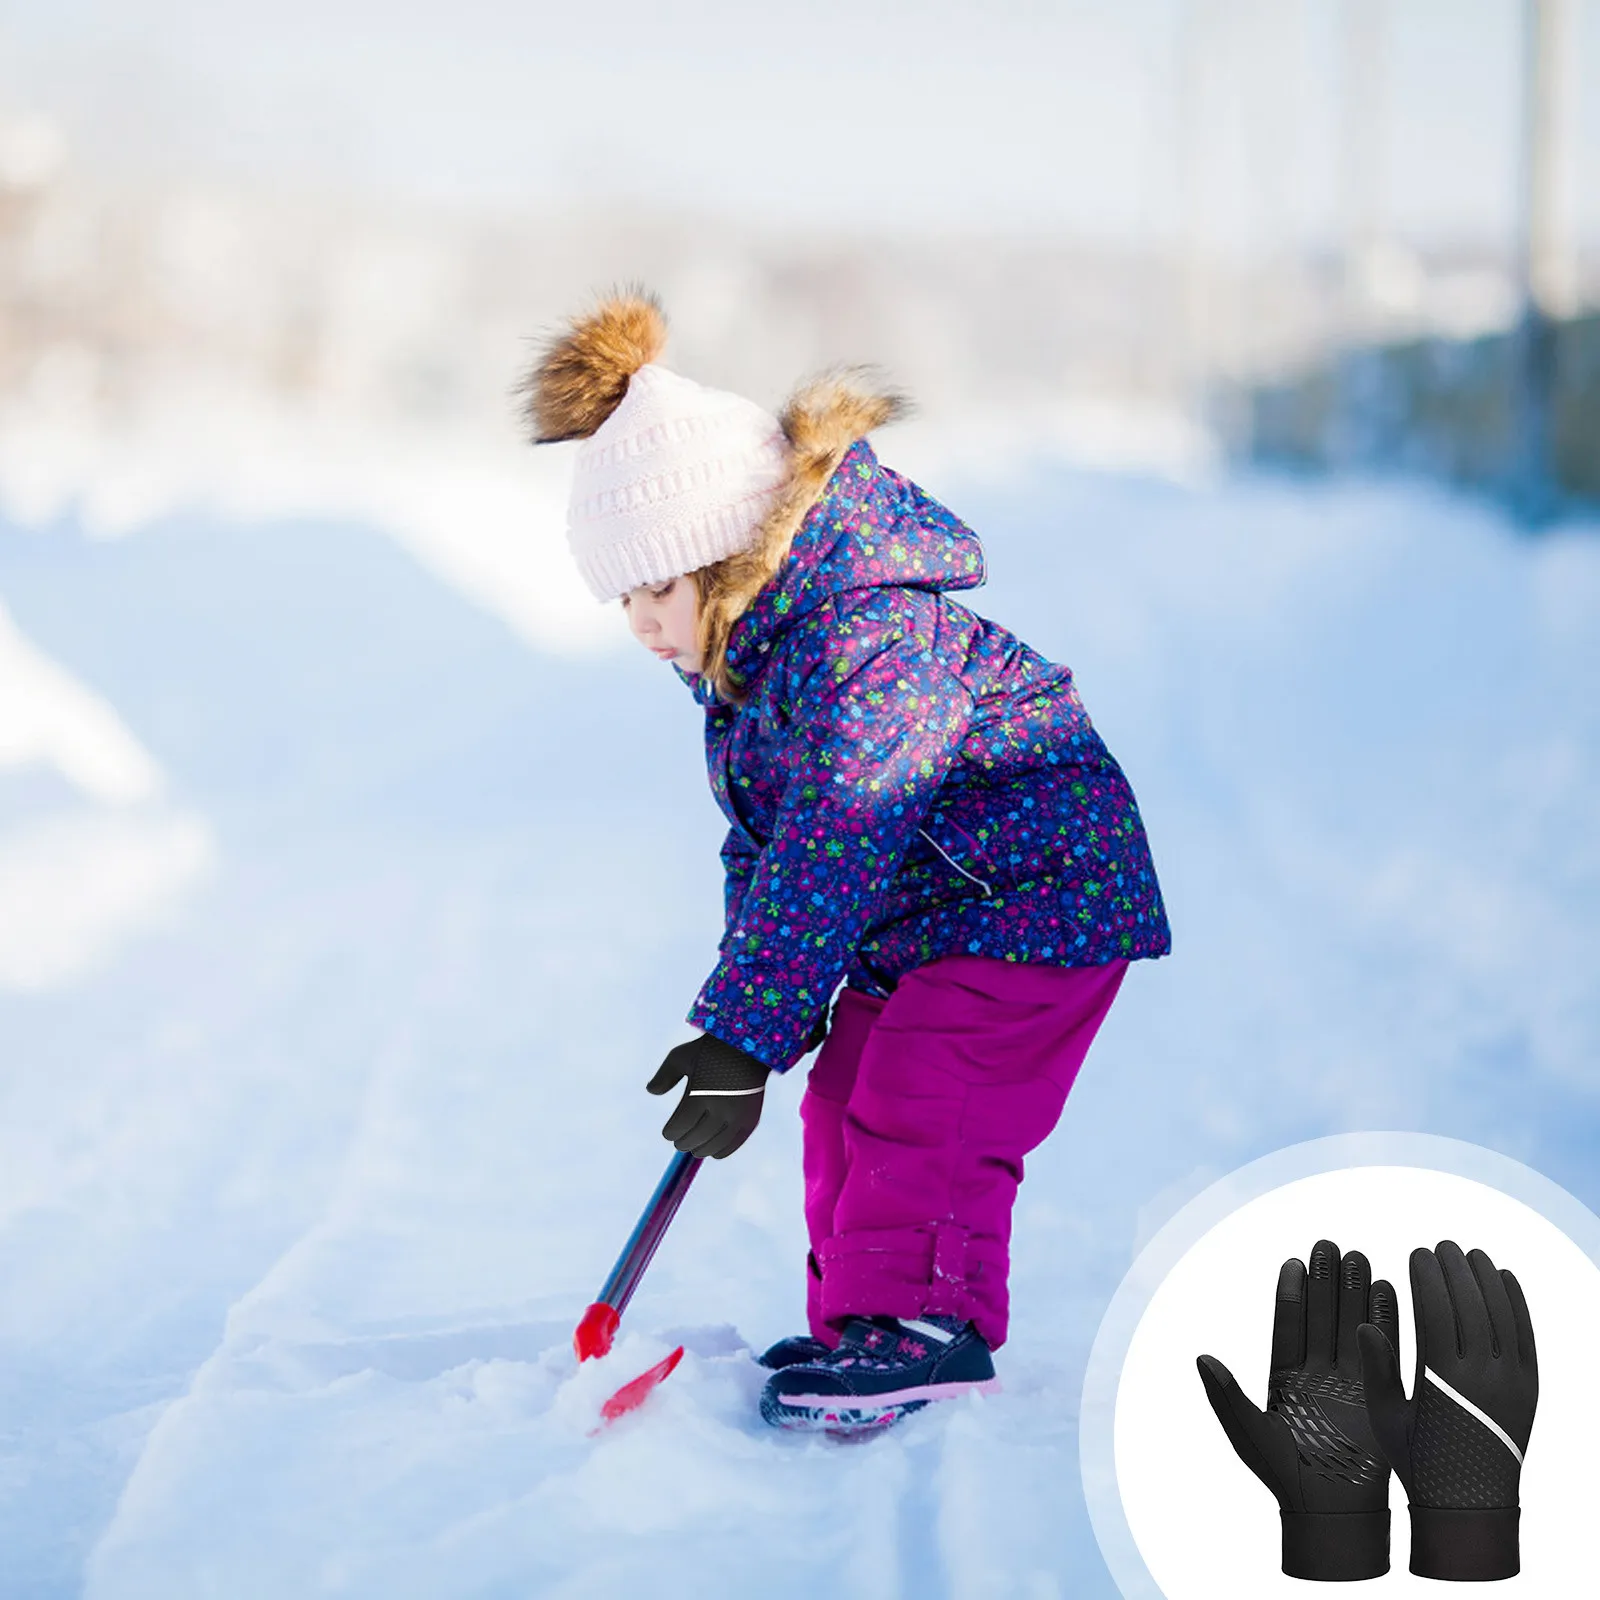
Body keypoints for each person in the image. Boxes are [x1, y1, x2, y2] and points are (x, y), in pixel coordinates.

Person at [521, 290, 1170, 1434]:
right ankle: (864, 1321)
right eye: (621, 596)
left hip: (1034, 901)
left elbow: (841, 831)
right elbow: (768, 847)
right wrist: (749, 1026)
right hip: (927, 912)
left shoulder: (867, 641)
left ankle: (920, 1323)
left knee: (929, 1096)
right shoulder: (756, 664)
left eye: (654, 587)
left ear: (727, 561)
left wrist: (746, 1025)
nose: (638, 623)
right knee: (843, 1098)